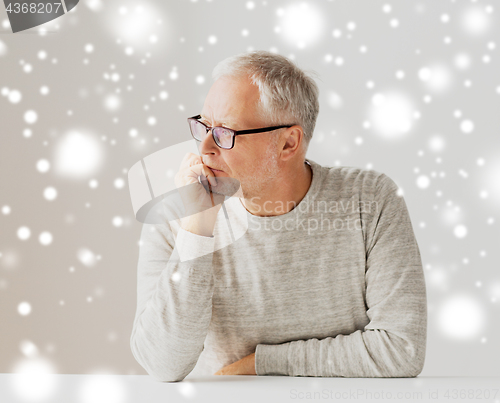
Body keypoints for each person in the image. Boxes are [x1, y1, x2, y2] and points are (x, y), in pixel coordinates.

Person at [129, 50, 427, 382]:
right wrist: (197, 229)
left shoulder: (369, 200)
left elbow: (402, 349)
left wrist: (261, 362)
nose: (205, 149)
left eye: (225, 133)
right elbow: (162, 365)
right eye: (203, 126)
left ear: (288, 143)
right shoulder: (175, 214)